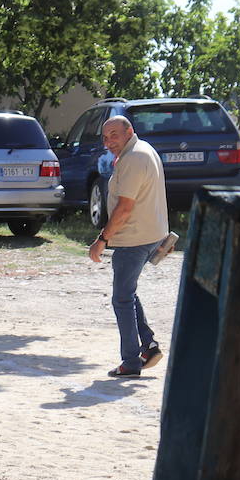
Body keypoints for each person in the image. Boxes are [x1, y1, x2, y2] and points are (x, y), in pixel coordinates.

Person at [87, 115, 177, 377]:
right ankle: (148, 345)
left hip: (134, 239)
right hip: (150, 235)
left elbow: (125, 208)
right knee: (128, 293)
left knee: (122, 299)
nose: (109, 141)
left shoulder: (134, 158)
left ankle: (131, 362)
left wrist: (102, 239)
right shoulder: (141, 149)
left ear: (129, 132)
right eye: (105, 137)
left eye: (114, 134)